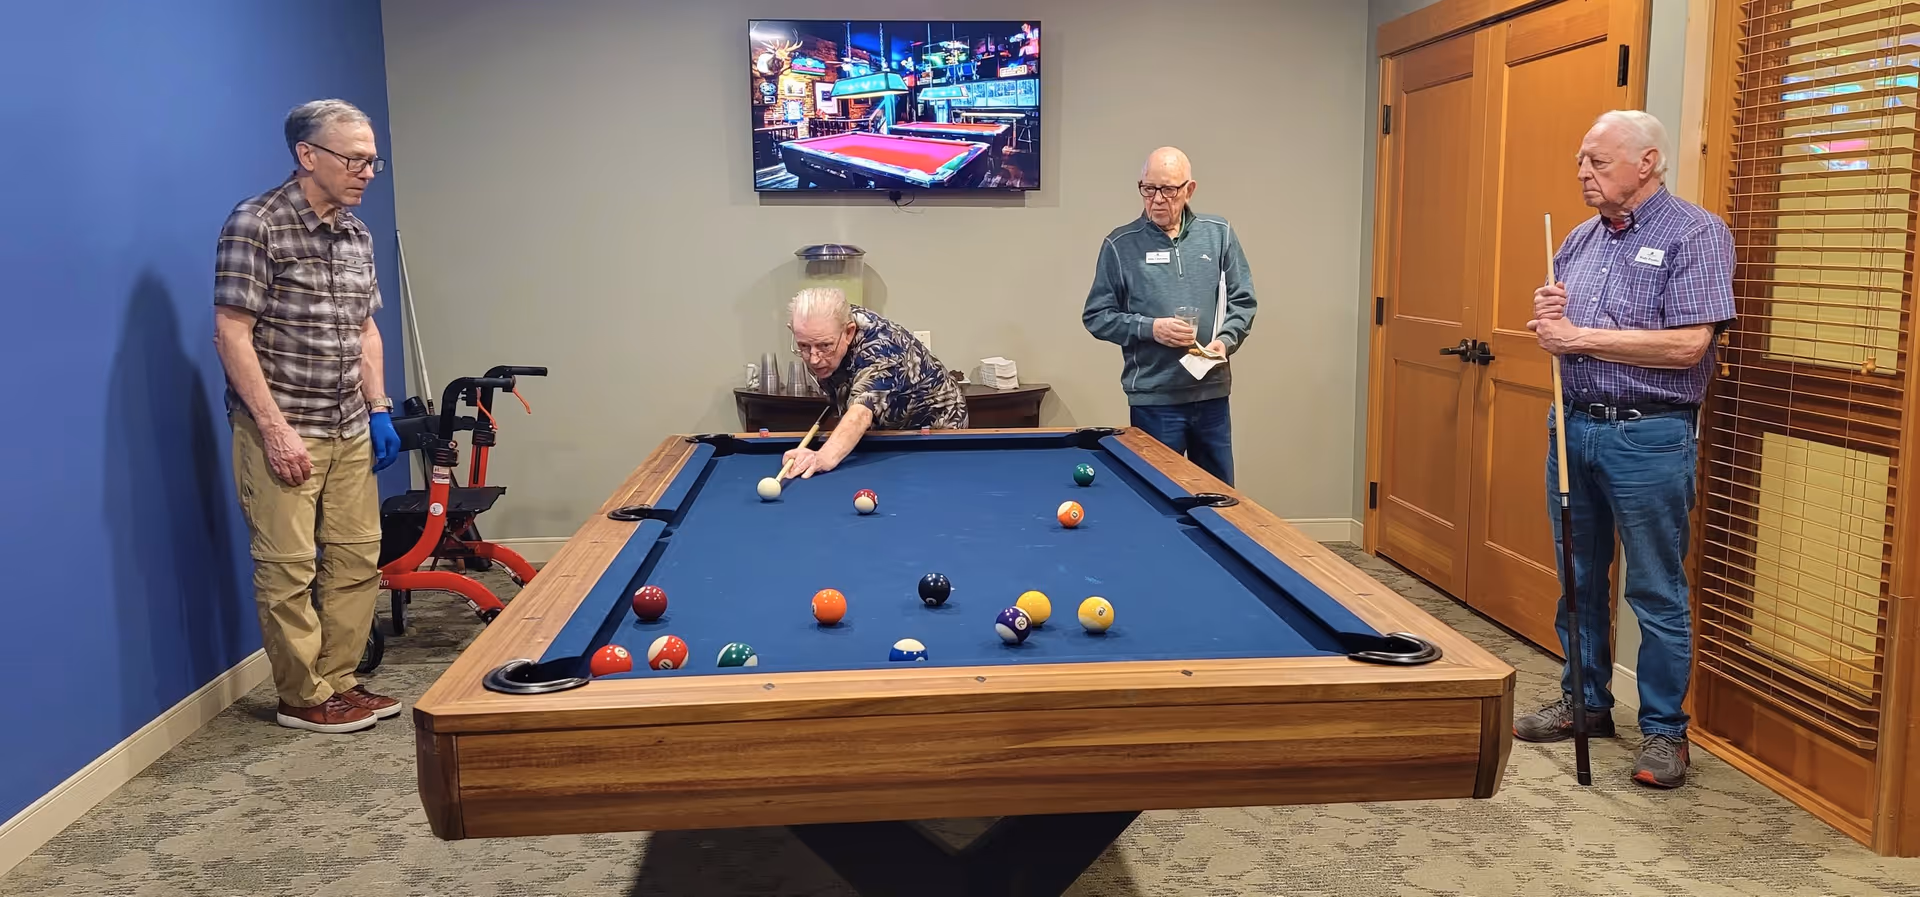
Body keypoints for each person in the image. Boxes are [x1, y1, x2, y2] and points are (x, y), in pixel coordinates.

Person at [1519, 109, 1735, 788]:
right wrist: (1552, 319)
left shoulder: (1696, 234)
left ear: (1647, 162)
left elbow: (1687, 345)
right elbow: (1564, 331)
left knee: (1654, 587)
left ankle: (1666, 734)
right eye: (1581, 161)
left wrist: (1577, 336)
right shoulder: (1579, 240)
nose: (1584, 173)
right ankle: (1584, 702)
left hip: (1649, 435)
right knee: (1578, 577)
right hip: (1574, 423)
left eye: (1599, 162)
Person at [213, 99, 403, 734]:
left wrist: (379, 409)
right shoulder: (257, 223)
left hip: (350, 425)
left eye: (373, 160)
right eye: (355, 159)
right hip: (284, 428)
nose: (367, 172)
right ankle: (300, 696)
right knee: (289, 566)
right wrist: (273, 429)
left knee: (356, 559)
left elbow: (365, 330)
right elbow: (231, 335)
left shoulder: (356, 233)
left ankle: (340, 680)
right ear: (307, 156)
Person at [1081, 146, 1256, 485]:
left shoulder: (1218, 233)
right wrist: (1151, 329)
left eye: (1168, 190)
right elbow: (1097, 316)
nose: (1157, 199)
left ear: (1189, 190)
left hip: (1212, 396)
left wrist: (1225, 341)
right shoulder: (1120, 244)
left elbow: (1243, 300)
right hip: (1154, 399)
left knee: (1219, 498)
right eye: (1149, 189)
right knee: (1158, 495)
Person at [780, 288, 967, 478]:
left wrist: (823, 457)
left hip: (936, 428)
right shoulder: (828, 323)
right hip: (886, 425)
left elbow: (861, 413)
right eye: (804, 346)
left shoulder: (882, 348)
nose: (813, 359)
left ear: (848, 332)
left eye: (824, 346)